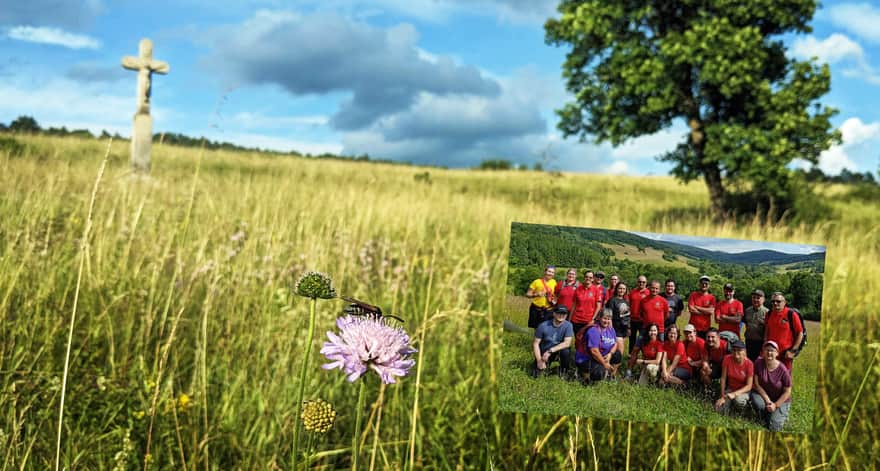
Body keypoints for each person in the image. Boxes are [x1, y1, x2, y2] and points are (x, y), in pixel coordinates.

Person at [750, 340, 793, 431]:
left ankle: (782, 413)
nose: (769, 353)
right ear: (763, 352)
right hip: (766, 396)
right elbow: (757, 385)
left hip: (780, 399)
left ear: (777, 353)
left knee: (773, 427)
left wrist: (776, 405)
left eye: (772, 350)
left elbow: (787, 391)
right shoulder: (758, 363)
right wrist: (768, 400)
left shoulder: (783, 370)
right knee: (757, 402)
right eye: (767, 350)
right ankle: (766, 413)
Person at [576, 309, 621, 383]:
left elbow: (615, 343)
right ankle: (583, 376)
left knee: (617, 354)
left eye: (609, 319)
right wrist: (604, 364)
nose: (606, 321)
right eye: (604, 318)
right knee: (599, 372)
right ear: (599, 318)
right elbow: (594, 351)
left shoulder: (611, 329)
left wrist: (610, 354)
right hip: (587, 358)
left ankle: (611, 376)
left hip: (603, 356)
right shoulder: (593, 331)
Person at [764, 292, 804, 372]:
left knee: (785, 377)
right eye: (773, 301)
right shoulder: (769, 314)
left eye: (778, 301)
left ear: (784, 302)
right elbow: (766, 330)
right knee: (770, 375)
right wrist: (764, 346)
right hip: (771, 353)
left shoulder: (791, 314)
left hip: (785, 354)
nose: (775, 303)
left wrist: (792, 351)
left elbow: (800, 333)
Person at [531, 305, 573, 378]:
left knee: (566, 351)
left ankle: (563, 371)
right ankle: (545, 367)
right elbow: (536, 344)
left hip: (557, 351)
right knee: (537, 375)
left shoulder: (568, 325)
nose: (561, 315)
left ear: (566, 315)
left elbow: (567, 343)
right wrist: (539, 360)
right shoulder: (543, 326)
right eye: (559, 313)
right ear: (554, 313)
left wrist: (550, 351)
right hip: (544, 351)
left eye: (564, 314)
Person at [714, 339, 754, 415]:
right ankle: (730, 405)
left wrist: (734, 394)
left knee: (738, 400)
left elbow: (749, 386)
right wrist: (722, 396)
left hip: (743, 390)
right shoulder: (727, 359)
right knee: (718, 409)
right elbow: (723, 378)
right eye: (734, 350)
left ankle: (743, 410)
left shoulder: (749, 364)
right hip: (730, 388)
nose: (736, 352)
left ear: (744, 352)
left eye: (739, 350)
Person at [570, 271, 599, 337]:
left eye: (590, 277)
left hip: (588, 320)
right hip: (576, 320)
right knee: (578, 339)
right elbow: (574, 304)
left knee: (588, 340)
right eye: (586, 277)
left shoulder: (596, 290)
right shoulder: (578, 289)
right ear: (584, 277)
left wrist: (593, 319)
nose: (588, 279)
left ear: (593, 279)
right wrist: (570, 319)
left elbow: (598, 306)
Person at [743, 289, 769, 361]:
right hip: (749, 341)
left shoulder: (767, 312)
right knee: (749, 361)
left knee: (760, 362)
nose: (755, 300)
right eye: (754, 297)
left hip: (760, 342)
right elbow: (745, 323)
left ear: (763, 299)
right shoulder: (747, 310)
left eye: (758, 298)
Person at [687, 275, 716, 339]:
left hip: (705, 328)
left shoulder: (712, 298)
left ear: (709, 285)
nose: (704, 285)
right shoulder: (693, 295)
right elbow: (691, 309)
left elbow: (711, 311)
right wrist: (705, 312)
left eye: (706, 284)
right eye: (702, 283)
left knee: (703, 347)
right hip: (692, 328)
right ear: (699, 284)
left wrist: (697, 307)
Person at [606, 282, 631, 355]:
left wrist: (628, 328)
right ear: (616, 289)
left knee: (617, 352)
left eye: (623, 289)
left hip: (623, 329)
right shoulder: (612, 301)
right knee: (619, 352)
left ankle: (612, 365)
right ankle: (612, 366)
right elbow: (608, 316)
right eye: (620, 288)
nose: (622, 290)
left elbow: (628, 316)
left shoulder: (626, 302)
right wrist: (611, 330)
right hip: (615, 329)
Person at [628, 275, 650, 353]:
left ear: (646, 283)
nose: (641, 283)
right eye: (640, 282)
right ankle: (630, 355)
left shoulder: (649, 293)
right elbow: (628, 306)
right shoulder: (632, 292)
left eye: (643, 282)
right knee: (632, 339)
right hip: (632, 320)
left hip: (643, 321)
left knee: (643, 339)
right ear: (637, 282)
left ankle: (644, 355)